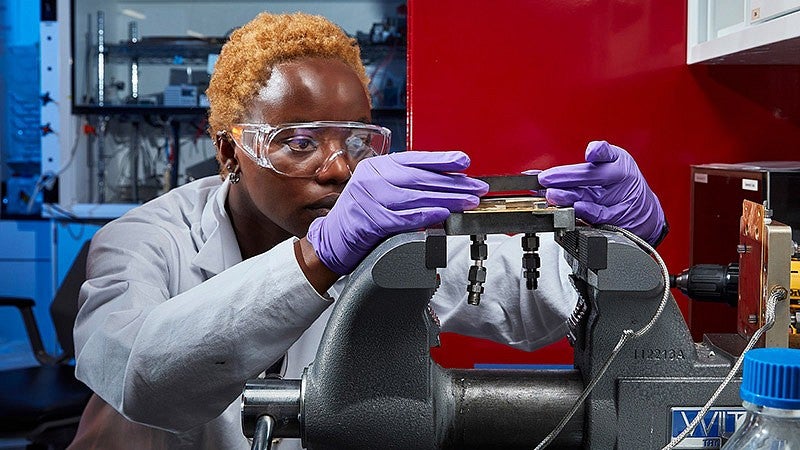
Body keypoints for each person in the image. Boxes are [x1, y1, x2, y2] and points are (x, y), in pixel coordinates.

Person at [68, 11, 666, 450]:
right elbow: (142, 379)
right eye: (299, 143)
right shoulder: (142, 241)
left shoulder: (379, 239)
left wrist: (625, 245)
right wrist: (318, 258)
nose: (336, 169)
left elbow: (531, 305)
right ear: (230, 152)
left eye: (356, 141)